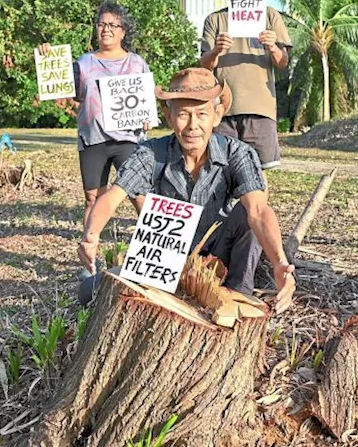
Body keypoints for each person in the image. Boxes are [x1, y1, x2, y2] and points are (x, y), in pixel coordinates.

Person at [78, 67, 296, 312]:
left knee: (246, 213)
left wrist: (279, 263)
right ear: (169, 117)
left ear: (217, 115)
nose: (193, 126)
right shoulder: (151, 152)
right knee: (90, 293)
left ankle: (237, 293)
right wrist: (91, 235)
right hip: (168, 256)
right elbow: (113, 196)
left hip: (218, 256)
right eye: (183, 115)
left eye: (201, 114)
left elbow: (258, 209)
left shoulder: (237, 153)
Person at [39, 0, 152, 225]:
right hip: (93, 139)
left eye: (112, 25)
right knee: (92, 198)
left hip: (128, 138)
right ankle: (89, 243)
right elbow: (62, 88)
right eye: (101, 24)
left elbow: (146, 103)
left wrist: (147, 117)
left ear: (123, 32)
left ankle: (154, 242)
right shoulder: (83, 63)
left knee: (139, 195)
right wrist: (48, 57)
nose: (105, 29)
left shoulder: (137, 63)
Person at [199, 0, 292, 169]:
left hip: (260, 109)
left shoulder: (270, 16)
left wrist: (272, 46)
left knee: (260, 173)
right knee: (222, 172)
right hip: (223, 110)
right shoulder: (215, 20)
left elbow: (283, 62)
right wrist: (216, 51)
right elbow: (204, 66)